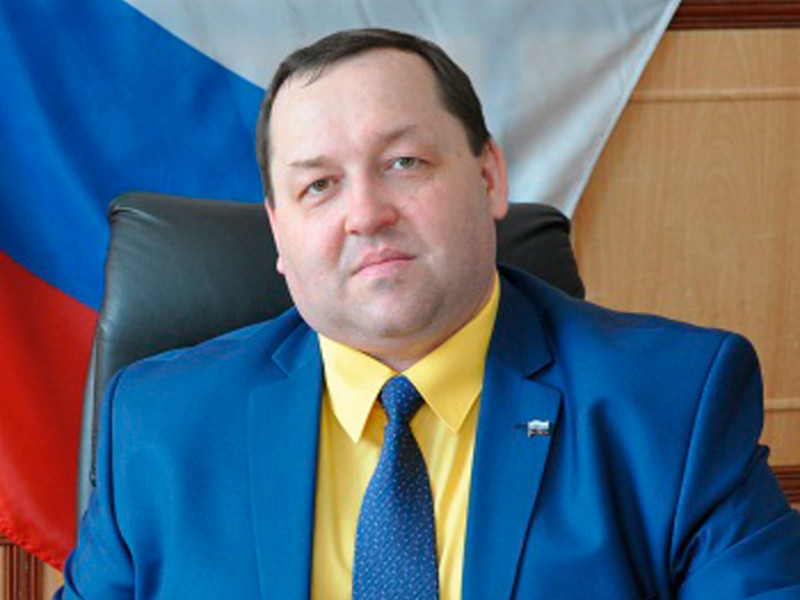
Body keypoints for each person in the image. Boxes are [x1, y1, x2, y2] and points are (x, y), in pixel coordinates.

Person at [56, 28, 800, 599]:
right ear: (279, 234)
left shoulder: (672, 402)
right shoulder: (159, 424)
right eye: (318, 186)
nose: (366, 214)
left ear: (489, 177)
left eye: (403, 163)